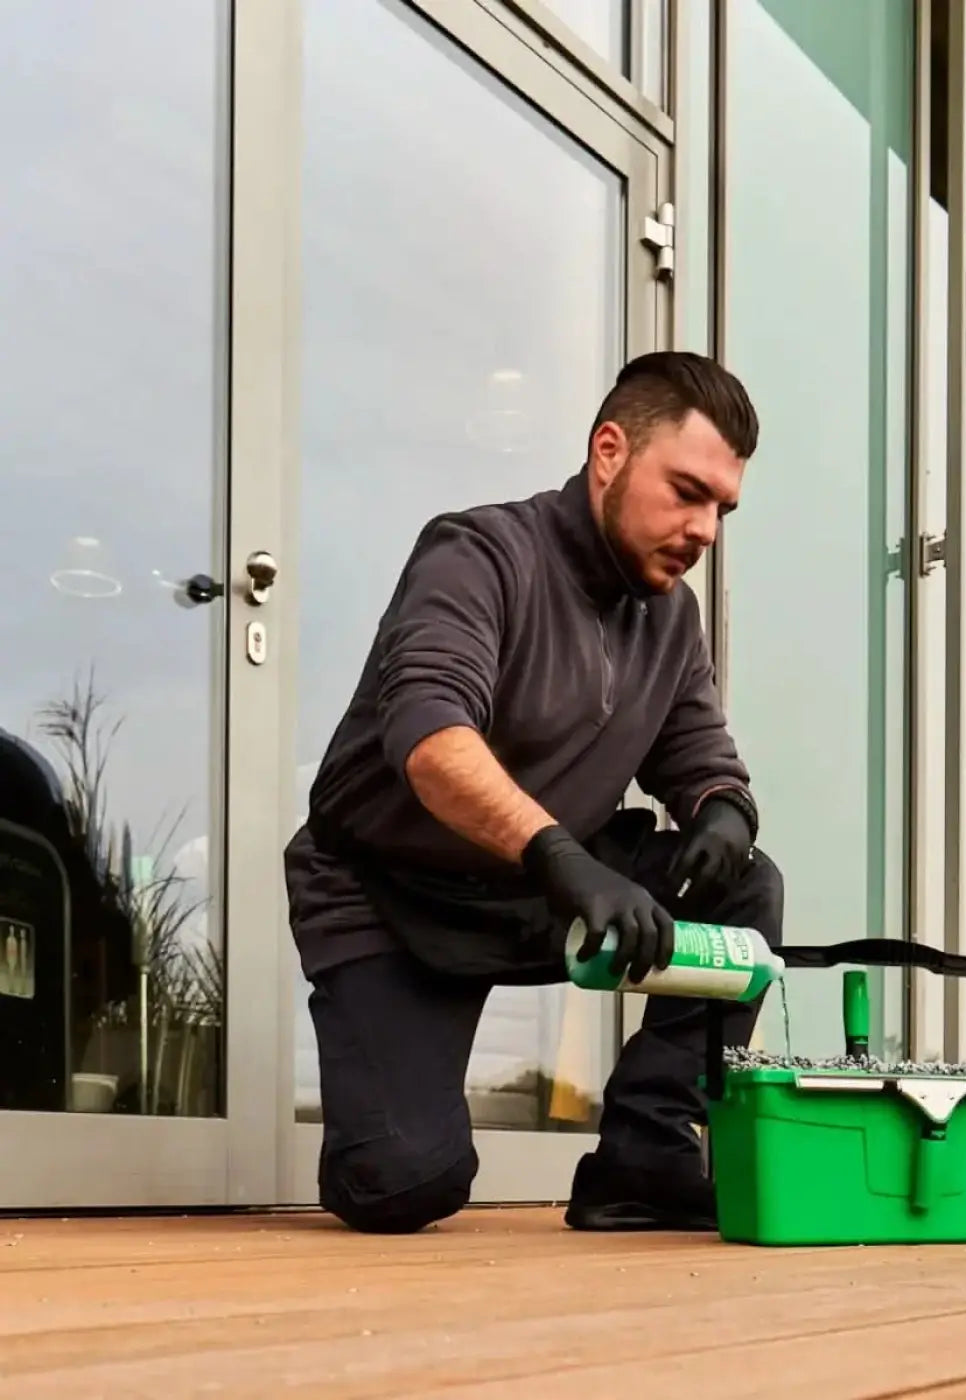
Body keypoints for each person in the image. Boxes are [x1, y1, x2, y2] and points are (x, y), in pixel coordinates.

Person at [284, 351, 783, 1237]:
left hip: (535, 891)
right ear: (609, 452)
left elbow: (703, 754)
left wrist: (724, 813)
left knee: (748, 887)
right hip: (387, 893)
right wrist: (560, 857)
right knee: (404, 1183)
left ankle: (647, 1154)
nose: (705, 529)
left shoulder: (670, 617)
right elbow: (433, 743)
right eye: (686, 491)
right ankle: (391, 1127)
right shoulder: (478, 553)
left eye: (723, 509)